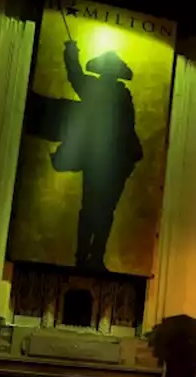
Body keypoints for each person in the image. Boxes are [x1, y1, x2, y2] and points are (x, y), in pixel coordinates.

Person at [47, 40, 143, 272]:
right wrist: (72, 54)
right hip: (103, 159)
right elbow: (75, 74)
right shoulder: (102, 90)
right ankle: (85, 257)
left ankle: (94, 256)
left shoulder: (117, 94)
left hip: (113, 161)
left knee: (101, 209)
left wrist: (71, 54)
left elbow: (127, 127)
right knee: (93, 208)